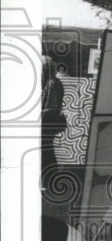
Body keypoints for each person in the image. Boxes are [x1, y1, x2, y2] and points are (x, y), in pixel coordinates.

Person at [40, 55, 65, 195]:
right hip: (47, 123)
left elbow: (53, 107)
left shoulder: (52, 84)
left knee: (46, 153)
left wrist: (37, 112)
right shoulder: (53, 82)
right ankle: (51, 181)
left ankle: (50, 181)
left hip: (47, 124)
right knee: (47, 153)